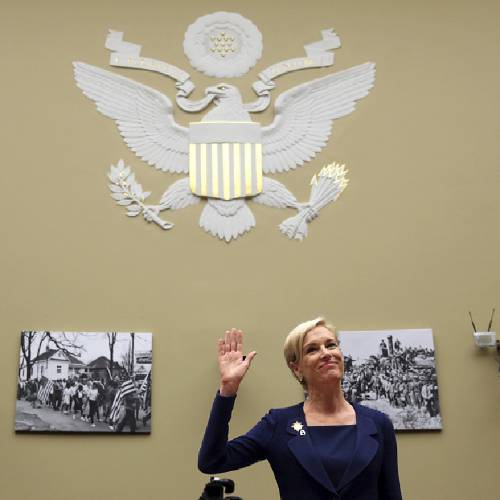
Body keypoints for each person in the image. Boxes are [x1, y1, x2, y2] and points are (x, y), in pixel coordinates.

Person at [198, 318, 402, 500]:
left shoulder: (378, 424)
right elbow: (212, 461)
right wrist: (228, 389)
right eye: (312, 349)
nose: (326, 353)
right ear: (296, 369)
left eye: (331, 345)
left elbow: (391, 494)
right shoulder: (278, 424)